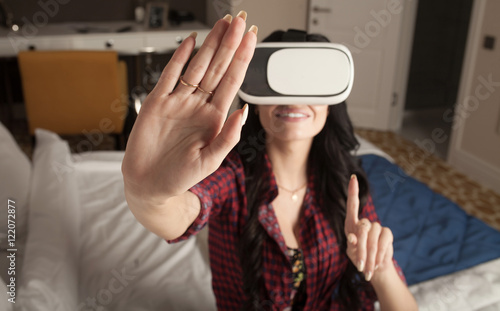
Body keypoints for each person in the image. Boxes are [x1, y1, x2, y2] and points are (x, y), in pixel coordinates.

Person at [122, 10, 418, 311]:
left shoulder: (346, 183)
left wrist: (379, 268)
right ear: (256, 101)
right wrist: (148, 195)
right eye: (279, 82)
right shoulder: (231, 175)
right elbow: (181, 211)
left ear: (331, 105)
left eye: (310, 82)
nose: (293, 99)